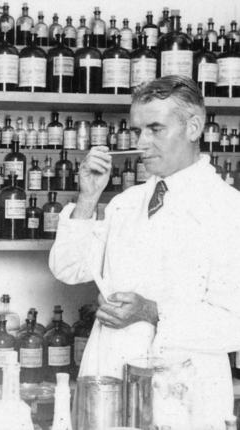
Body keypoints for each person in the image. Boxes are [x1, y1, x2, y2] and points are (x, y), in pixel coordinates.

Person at [49, 75, 240, 429]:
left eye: (155, 129)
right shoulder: (126, 202)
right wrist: (88, 198)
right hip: (108, 381)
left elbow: (235, 324)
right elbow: (68, 269)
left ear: (194, 127)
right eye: (138, 130)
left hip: (183, 394)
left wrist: (152, 312)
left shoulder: (229, 209)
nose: (141, 143)